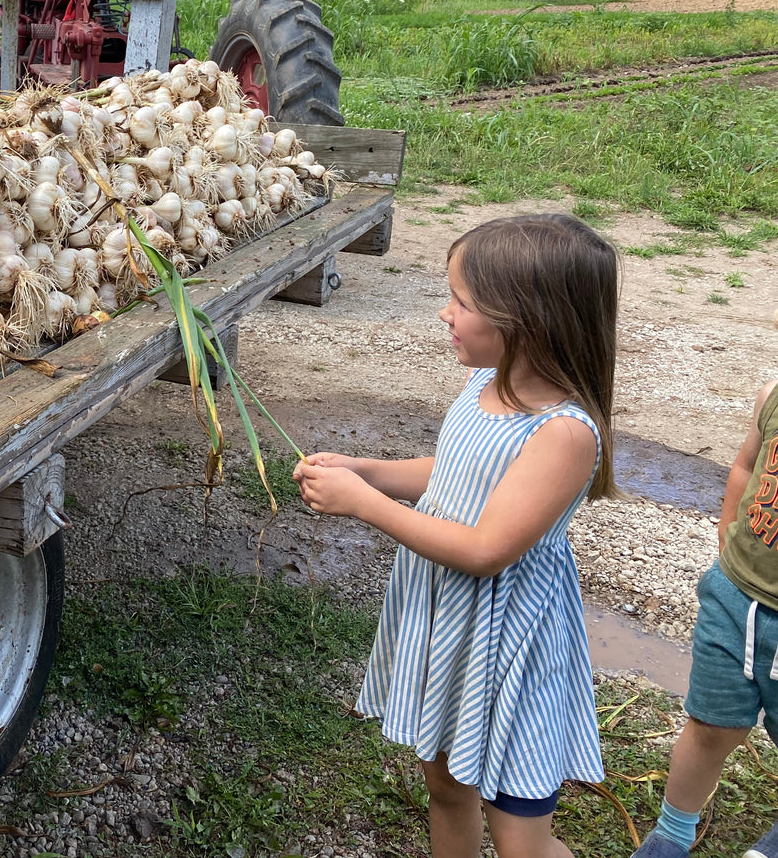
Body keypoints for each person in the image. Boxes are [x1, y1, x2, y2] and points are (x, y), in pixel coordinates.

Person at [295, 213, 618, 858]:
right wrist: (369, 471)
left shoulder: (564, 433)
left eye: (461, 302)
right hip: (453, 628)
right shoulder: (484, 383)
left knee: (520, 837)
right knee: (445, 785)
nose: (445, 314)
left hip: (510, 642)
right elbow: (455, 472)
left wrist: (363, 505)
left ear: (526, 320)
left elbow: (484, 550)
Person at [629, 378, 778, 858]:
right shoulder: (773, 394)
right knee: (710, 724)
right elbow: (744, 466)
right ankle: (672, 834)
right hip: (734, 598)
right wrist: (725, 541)